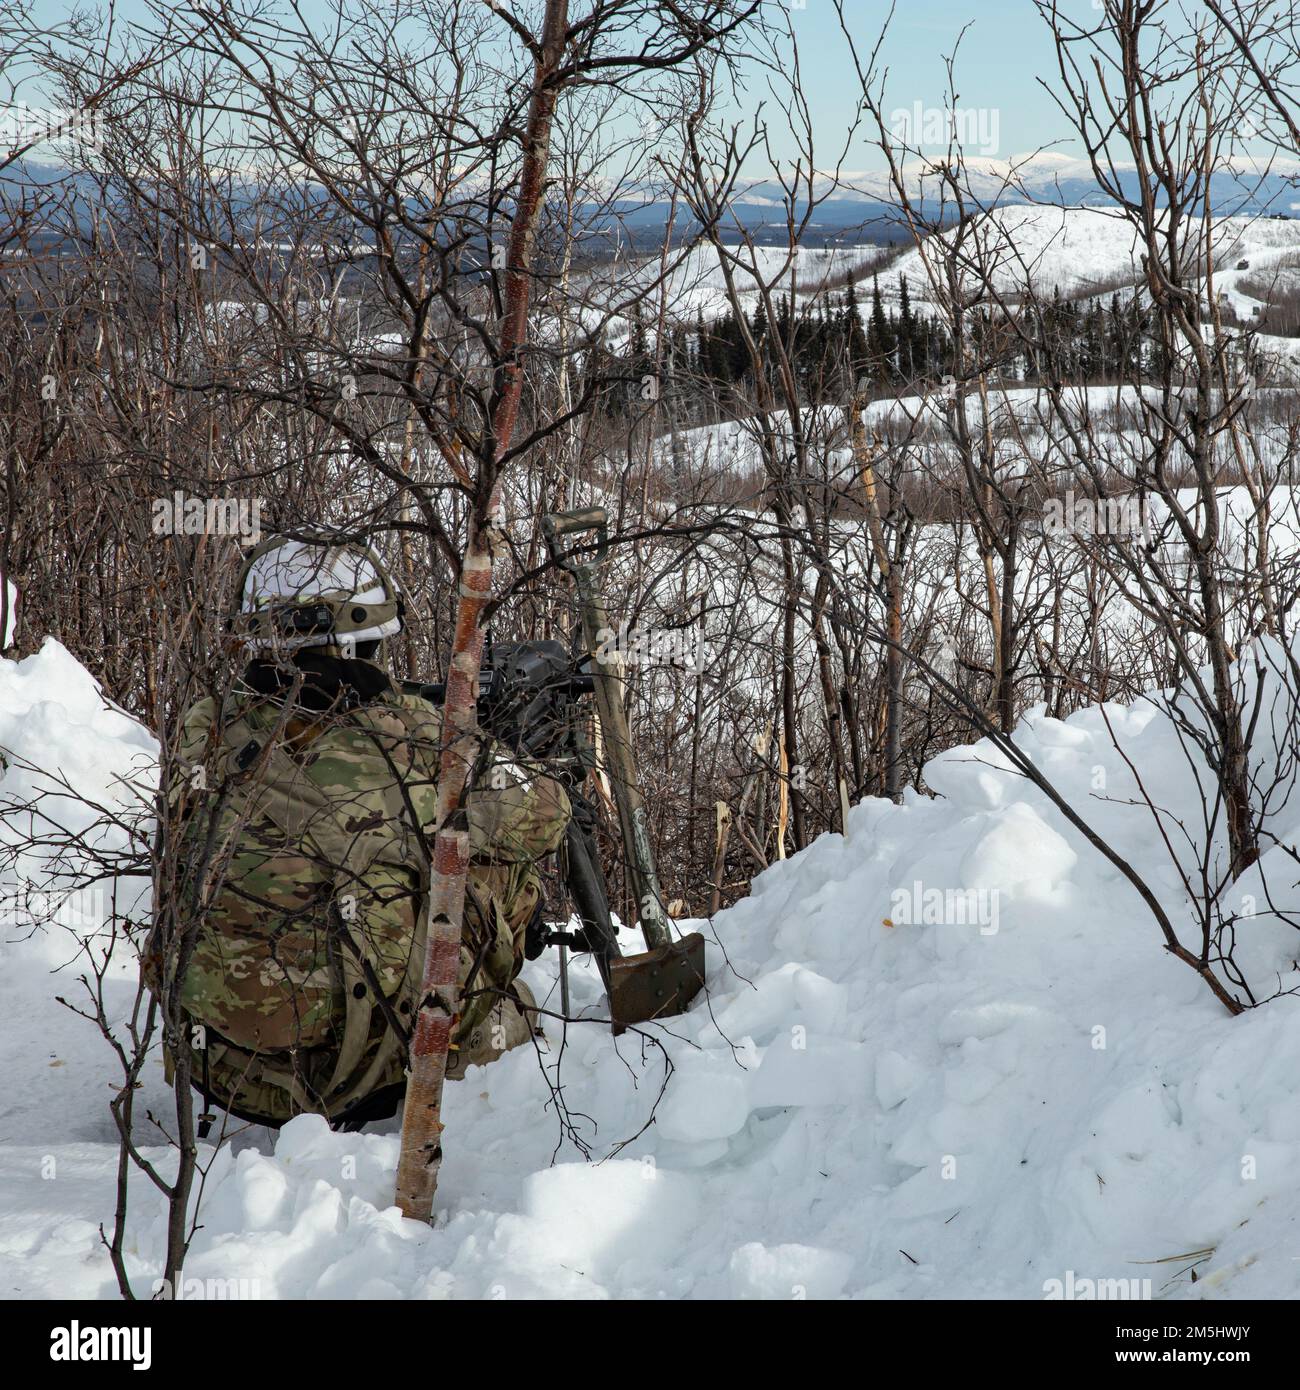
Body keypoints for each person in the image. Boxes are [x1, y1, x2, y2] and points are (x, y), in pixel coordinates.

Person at [153, 533, 570, 1130]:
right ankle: (463, 1045)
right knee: (500, 864)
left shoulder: (204, 727)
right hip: (356, 1079)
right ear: (362, 640)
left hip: (215, 1065)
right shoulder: (418, 738)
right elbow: (548, 814)